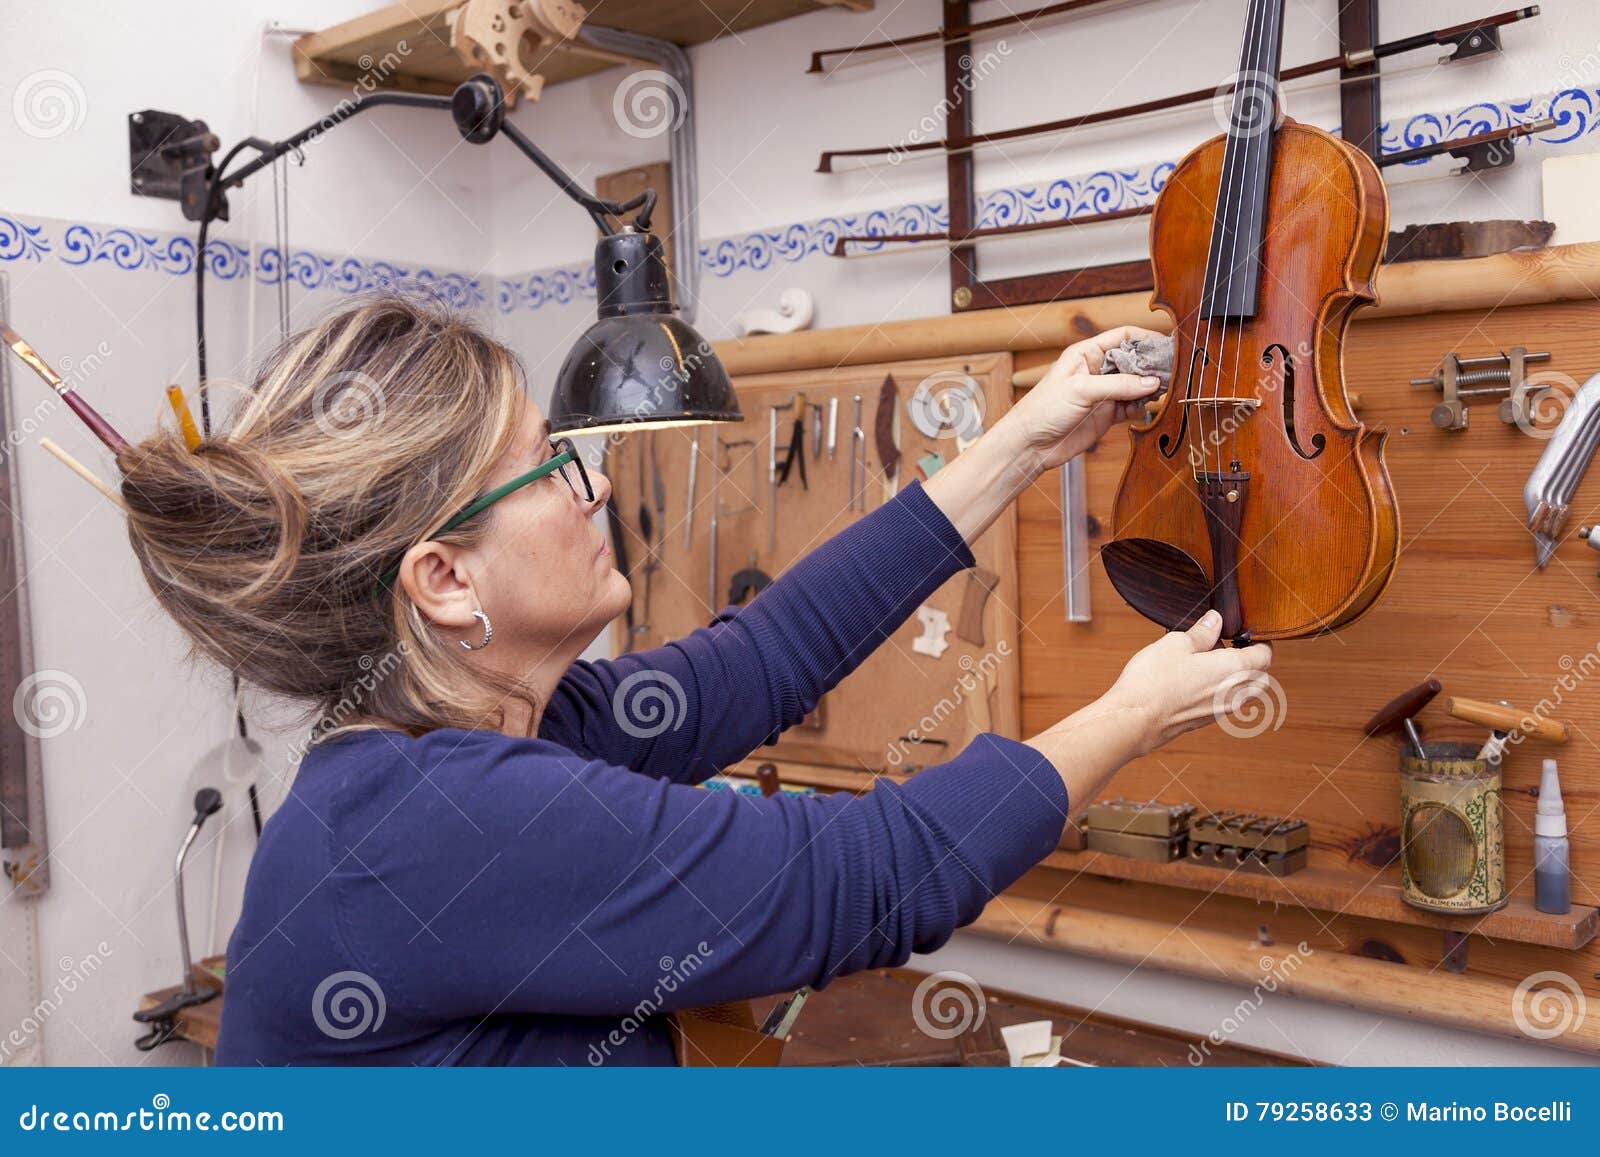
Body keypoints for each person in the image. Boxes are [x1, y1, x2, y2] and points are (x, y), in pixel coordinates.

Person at [119, 296, 1271, 1065]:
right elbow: (869, 879)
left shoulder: (482, 738)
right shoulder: (446, 819)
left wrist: (1022, 441)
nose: (597, 489)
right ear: (445, 580)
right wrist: (1135, 709)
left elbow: (759, 658)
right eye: (547, 466)